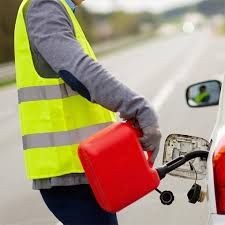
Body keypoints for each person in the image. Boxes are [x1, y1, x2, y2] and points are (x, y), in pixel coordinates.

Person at [14, 0, 161, 224]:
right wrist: (137, 106)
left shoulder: (58, 7)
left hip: (86, 167)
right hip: (69, 172)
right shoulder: (44, 6)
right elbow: (78, 70)